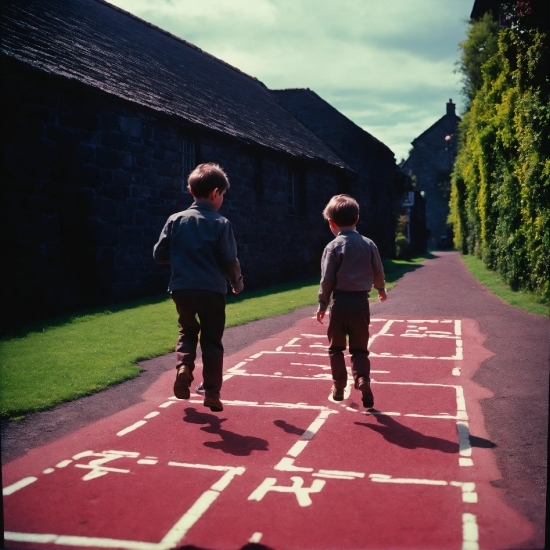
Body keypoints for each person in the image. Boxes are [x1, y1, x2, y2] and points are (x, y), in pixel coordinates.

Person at [153, 163, 243, 412]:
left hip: (181, 289)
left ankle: (184, 367)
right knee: (212, 340)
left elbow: (159, 255)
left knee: (188, 330)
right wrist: (237, 282)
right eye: (223, 194)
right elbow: (229, 259)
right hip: (212, 290)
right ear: (215, 193)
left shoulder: (175, 220)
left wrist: (182, 255)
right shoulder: (221, 223)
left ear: (191, 192)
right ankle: (212, 392)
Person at [316, 194, 387, 408]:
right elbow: (378, 271)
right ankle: (362, 379)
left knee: (336, 347)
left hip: (339, 304)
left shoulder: (332, 247)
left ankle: (339, 385)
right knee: (359, 349)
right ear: (357, 219)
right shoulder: (369, 244)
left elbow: (327, 279)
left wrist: (322, 304)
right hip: (360, 304)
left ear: (331, 223)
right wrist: (381, 289)